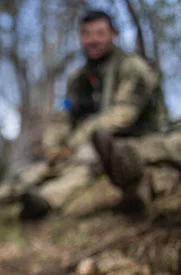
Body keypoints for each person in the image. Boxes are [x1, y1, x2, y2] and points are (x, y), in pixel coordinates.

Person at [16, 10, 165, 219]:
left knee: (88, 158)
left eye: (99, 33)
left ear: (114, 34)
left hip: (128, 141)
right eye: (86, 34)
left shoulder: (133, 68)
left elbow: (124, 113)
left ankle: (47, 200)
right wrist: (53, 145)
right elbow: (62, 114)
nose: (92, 40)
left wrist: (78, 139)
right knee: (35, 171)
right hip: (81, 144)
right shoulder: (78, 79)